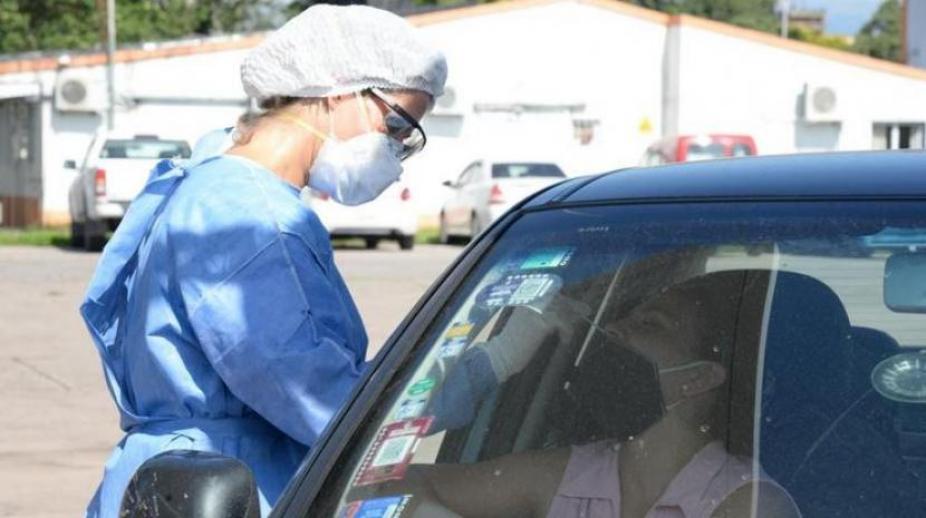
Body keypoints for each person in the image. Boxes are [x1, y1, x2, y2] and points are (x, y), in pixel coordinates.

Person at [81, 5, 447, 517]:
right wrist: (461, 384)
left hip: (180, 480)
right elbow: (309, 391)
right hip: (225, 484)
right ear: (339, 91)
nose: (396, 149)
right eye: (396, 124)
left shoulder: (212, 181)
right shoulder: (248, 216)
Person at [368, 273, 801, 518]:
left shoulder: (748, 503)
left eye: (649, 324)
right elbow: (381, 485)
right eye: (624, 317)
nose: (614, 329)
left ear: (699, 378)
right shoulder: (577, 472)